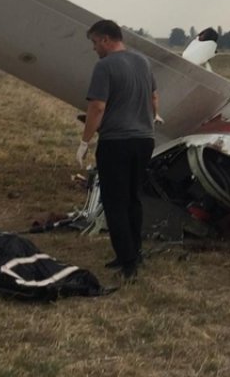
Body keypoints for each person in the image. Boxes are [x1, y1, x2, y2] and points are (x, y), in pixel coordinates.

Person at [78, 20, 158, 280]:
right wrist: (148, 118)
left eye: (94, 42)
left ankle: (128, 263)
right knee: (134, 199)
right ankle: (134, 252)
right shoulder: (143, 62)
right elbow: (154, 98)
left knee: (115, 202)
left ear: (104, 39)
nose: (93, 49)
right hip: (145, 140)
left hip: (116, 142)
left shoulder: (104, 66)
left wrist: (85, 141)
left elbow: (97, 107)